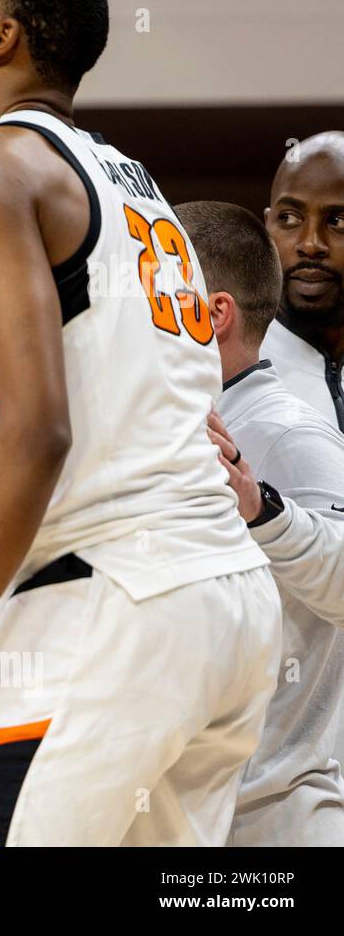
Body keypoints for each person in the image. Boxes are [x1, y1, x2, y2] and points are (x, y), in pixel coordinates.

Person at [0, 0, 280, 847]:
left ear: (0, 39)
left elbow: (33, 433)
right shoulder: (134, 183)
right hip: (225, 601)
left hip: (114, 603)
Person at [175, 200, 344, 846]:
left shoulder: (290, 432)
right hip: (185, 812)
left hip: (274, 817)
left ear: (214, 315)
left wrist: (262, 508)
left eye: (158, 295)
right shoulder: (171, 427)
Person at [261, 131, 344, 432]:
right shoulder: (218, 367)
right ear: (267, 227)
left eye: (338, 222)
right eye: (290, 218)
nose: (311, 244)